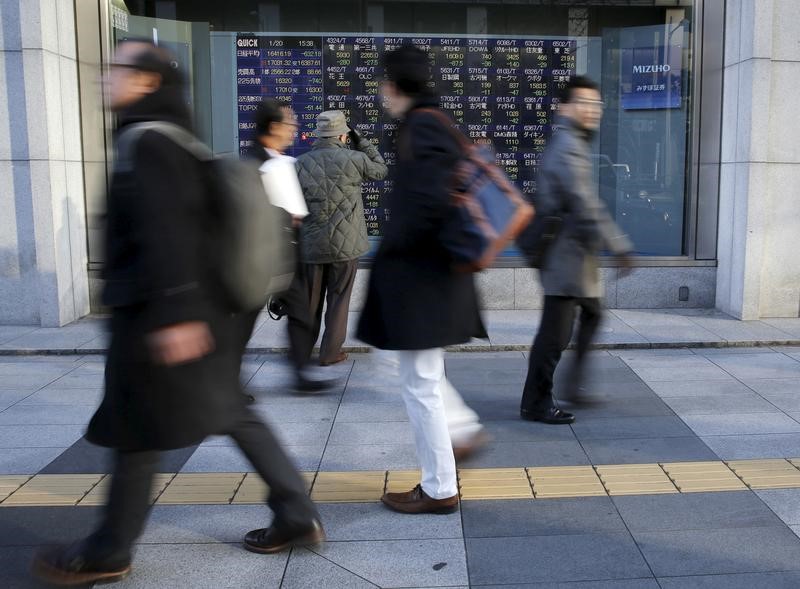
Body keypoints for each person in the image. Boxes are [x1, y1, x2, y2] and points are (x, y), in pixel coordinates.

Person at [32, 41, 323, 586]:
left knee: (136, 430)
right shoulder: (175, 138)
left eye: (114, 68)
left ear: (145, 82)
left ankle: (108, 549)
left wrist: (176, 314)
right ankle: (295, 512)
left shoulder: (147, 142)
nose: (104, 79)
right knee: (229, 408)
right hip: (202, 310)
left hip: (162, 315)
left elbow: (169, 231)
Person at [357, 45, 488, 515]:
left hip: (422, 279)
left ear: (395, 84)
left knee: (420, 383)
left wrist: (394, 253)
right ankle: (458, 438)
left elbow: (428, 205)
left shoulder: (422, 125)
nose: (379, 93)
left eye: (382, 83)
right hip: (430, 277)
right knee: (419, 377)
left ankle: (439, 487)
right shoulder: (429, 121)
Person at [519, 76, 633, 426]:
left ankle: (572, 384)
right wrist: (618, 244)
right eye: (582, 103)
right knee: (554, 336)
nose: (590, 110)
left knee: (593, 314)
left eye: (595, 104)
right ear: (564, 107)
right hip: (564, 256)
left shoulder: (574, 141)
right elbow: (583, 203)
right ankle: (536, 402)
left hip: (573, 254)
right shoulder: (568, 145)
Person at [246, 101, 338, 392]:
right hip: (259, 256)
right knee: (243, 321)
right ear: (273, 128)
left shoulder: (282, 161)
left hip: (287, 252)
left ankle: (301, 374)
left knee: (301, 313)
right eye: (290, 124)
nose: (294, 130)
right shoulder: (253, 164)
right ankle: (226, 383)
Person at [295, 110, 388, 366]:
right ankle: (329, 354)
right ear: (343, 135)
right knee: (338, 300)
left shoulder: (300, 163)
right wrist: (363, 141)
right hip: (345, 246)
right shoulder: (355, 159)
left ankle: (301, 354)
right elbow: (381, 170)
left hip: (312, 245)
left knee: (310, 302)